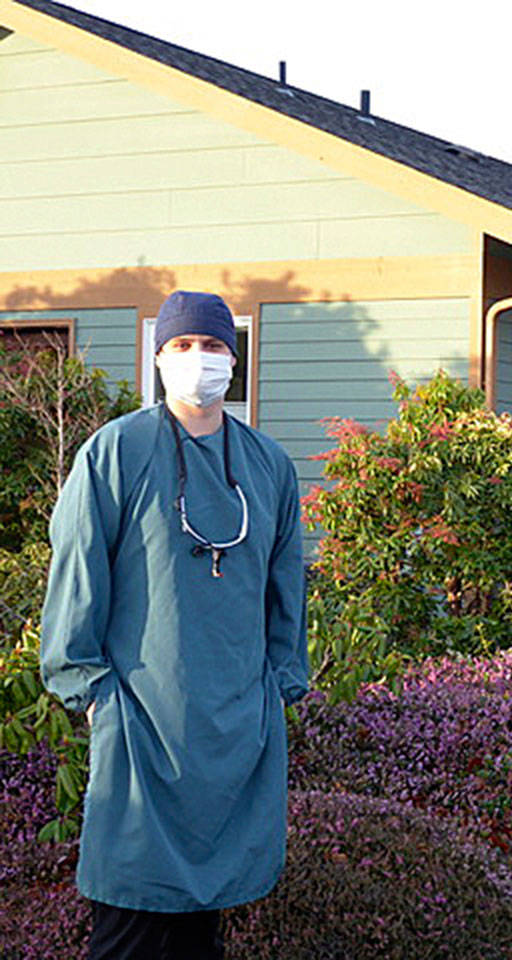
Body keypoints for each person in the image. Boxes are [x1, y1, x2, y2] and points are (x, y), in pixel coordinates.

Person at [40, 291, 309, 960]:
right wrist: (92, 692)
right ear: (158, 357)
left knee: (201, 927)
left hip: (234, 729)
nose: (199, 360)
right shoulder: (116, 452)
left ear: (235, 359)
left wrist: (276, 691)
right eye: (183, 346)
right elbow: (77, 576)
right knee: (130, 918)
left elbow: (286, 593)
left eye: (214, 346)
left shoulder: (267, 465)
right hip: (142, 721)